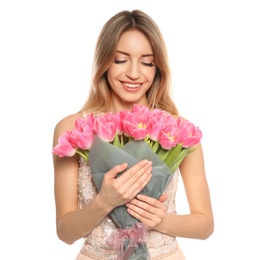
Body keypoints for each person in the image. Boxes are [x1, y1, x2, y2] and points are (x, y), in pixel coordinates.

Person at [52, 9, 214, 260]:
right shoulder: (74, 128)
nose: (134, 74)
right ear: (104, 61)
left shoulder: (177, 130)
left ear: (157, 67)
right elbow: (65, 232)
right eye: (120, 59)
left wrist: (160, 220)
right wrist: (104, 202)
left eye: (147, 62)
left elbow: (205, 225)